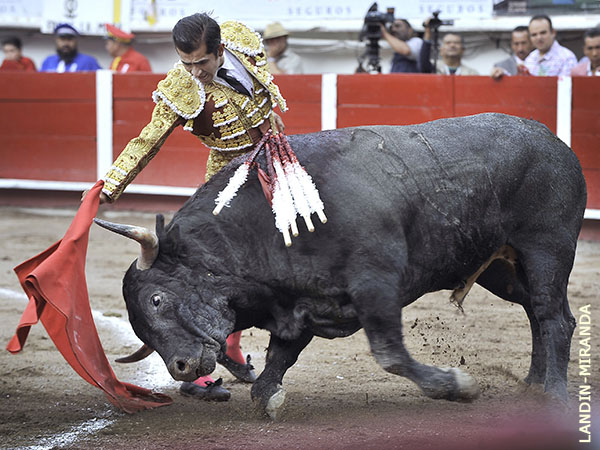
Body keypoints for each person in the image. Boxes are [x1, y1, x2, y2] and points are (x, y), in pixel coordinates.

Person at [84, 13, 287, 400]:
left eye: (202, 62)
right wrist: (110, 184)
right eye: (186, 63)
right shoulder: (180, 88)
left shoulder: (241, 41)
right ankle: (203, 353)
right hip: (226, 179)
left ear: (221, 49)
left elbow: (260, 89)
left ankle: (232, 347)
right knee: (221, 269)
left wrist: (267, 118)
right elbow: (148, 140)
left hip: (275, 160)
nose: (194, 72)